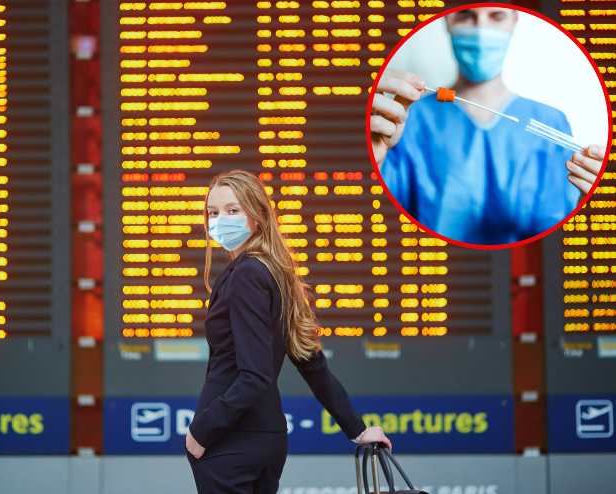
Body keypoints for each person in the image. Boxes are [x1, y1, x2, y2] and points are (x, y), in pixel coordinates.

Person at [184, 170, 390, 493]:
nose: (220, 219)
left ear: (259, 216)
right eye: (213, 212)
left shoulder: (246, 275)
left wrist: (201, 431)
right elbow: (310, 360)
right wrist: (358, 430)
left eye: (232, 210)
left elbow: (255, 375)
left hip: (230, 441)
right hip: (267, 441)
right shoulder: (274, 273)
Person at [370, 6, 606, 245]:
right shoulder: (405, 118)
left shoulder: (550, 121)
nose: (481, 30)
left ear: (514, 21)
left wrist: (589, 214)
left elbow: (557, 233)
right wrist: (370, 162)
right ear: (447, 21)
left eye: (496, 16)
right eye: (466, 15)